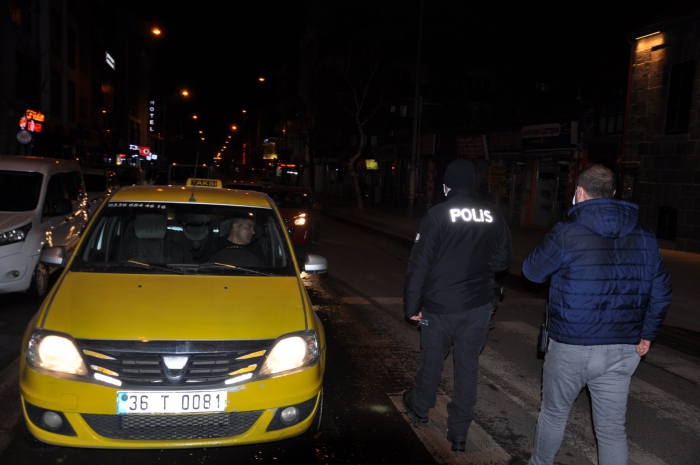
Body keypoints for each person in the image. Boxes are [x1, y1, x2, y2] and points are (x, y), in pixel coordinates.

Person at [520, 163, 672, 465]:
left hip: (571, 346)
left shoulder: (567, 232)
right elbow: (662, 292)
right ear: (614, 193)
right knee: (612, 429)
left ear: (579, 193)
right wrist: (647, 334)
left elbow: (532, 272)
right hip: (622, 347)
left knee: (554, 414)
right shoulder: (645, 235)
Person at [402, 158, 512, 452]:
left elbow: (419, 265)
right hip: (478, 305)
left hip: (440, 305)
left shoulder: (438, 214)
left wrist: (412, 306)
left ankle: (420, 407)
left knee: (432, 360)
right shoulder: (493, 215)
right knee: (467, 368)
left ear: (446, 186)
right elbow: (503, 261)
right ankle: (459, 433)